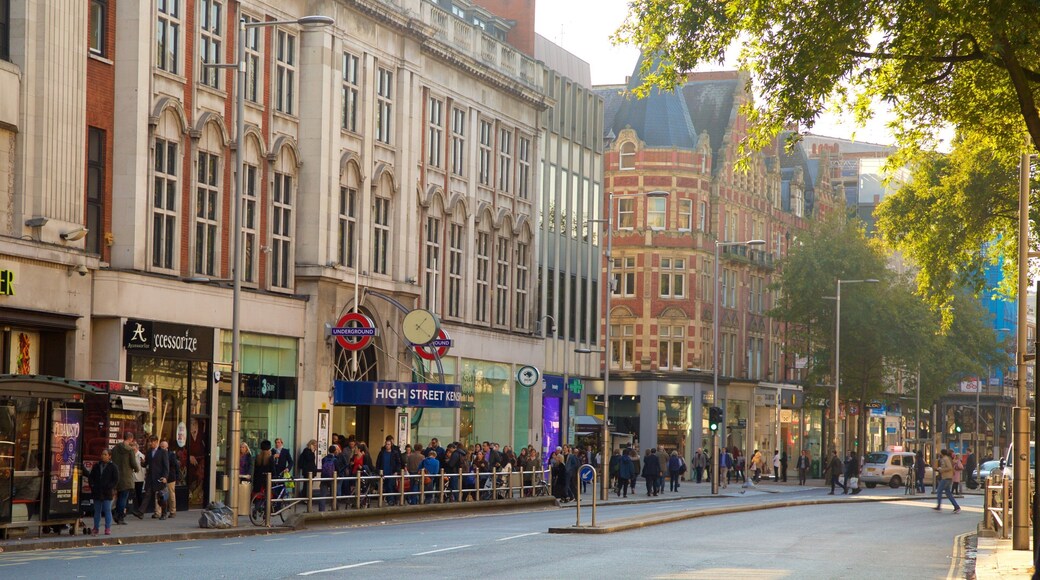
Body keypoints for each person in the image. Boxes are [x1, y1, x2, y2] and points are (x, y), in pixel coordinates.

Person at [110, 431, 139, 524]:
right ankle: (120, 516)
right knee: (123, 497)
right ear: (130, 439)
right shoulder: (130, 450)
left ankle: (115, 512)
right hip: (126, 477)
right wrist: (137, 468)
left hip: (115, 475)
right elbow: (133, 463)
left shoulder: (115, 448)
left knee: (118, 496)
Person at [88, 448, 119, 535]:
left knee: (107, 510)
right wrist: (92, 486)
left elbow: (115, 479)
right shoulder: (97, 466)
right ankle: (96, 528)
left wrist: (110, 487)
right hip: (97, 491)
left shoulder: (113, 467)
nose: (103, 456)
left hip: (107, 492)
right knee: (97, 511)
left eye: (105, 454)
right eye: (102, 454)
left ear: (109, 456)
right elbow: (91, 477)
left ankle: (107, 528)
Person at [144, 435, 170, 519]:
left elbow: (166, 466)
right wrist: (142, 462)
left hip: (160, 478)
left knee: (161, 496)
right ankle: (140, 512)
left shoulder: (162, 452)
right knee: (149, 494)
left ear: (155, 442)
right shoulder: (149, 452)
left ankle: (164, 513)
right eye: (149, 441)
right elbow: (146, 464)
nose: (150, 443)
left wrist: (165, 477)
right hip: (151, 478)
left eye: (151, 441)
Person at [376, 437, 403, 503]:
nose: (387, 445)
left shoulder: (395, 453)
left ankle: (391, 500)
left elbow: (398, 463)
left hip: (392, 473)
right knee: (385, 487)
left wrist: (397, 471)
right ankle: (389, 500)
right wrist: (378, 471)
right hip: (384, 473)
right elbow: (378, 462)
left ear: (391, 445)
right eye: (386, 444)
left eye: (389, 444)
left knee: (390, 486)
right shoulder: (382, 453)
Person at [934, 448, 961, 513]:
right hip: (948, 477)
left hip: (946, 478)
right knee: (948, 493)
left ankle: (939, 506)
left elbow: (949, 467)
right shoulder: (947, 458)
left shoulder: (945, 459)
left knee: (939, 491)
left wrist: (941, 469)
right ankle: (956, 506)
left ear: (942, 453)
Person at [160, 440, 179, 517]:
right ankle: (159, 512)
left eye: (163, 447)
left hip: (170, 477)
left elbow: (175, 466)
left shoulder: (171, 455)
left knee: (171, 495)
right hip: (161, 477)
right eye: (161, 447)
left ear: (167, 447)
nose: (162, 448)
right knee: (160, 495)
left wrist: (176, 476)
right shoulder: (159, 454)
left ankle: (172, 511)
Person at [132, 442, 146, 517]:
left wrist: (143, 477)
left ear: (137, 448)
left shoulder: (141, 456)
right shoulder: (131, 455)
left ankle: (140, 510)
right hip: (132, 478)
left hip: (139, 478)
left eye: (134, 448)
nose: (132, 449)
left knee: (139, 494)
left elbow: (143, 468)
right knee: (132, 494)